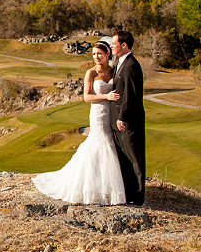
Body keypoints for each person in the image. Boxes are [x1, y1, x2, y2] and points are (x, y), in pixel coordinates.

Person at [32, 38, 126, 205]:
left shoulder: (114, 70)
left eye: (99, 54)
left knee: (109, 144)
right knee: (98, 144)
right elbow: (86, 97)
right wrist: (105, 96)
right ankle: (90, 186)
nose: (96, 57)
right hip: (97, 113)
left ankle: (105, 186)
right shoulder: (91, 73)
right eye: (94, 54)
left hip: (110, 113)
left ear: (107, 54)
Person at [109, 31, 146, 206]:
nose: (112, 46)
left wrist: (122, 117)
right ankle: (129, 193)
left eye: (114, 43)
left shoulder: (131, 65)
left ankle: (138, 198)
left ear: (124, 45)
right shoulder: (119, 64)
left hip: (128, 121)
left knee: (135, 159)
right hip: (117, 120)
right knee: (123, 158)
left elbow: (131, 95)